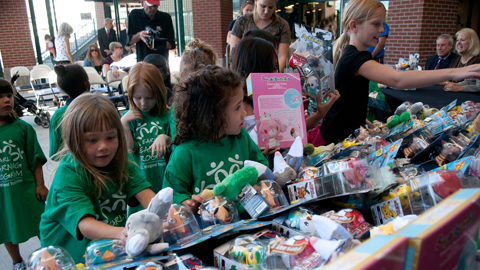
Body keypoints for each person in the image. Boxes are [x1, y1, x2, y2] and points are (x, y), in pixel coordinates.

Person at [319, 0, 480, 145]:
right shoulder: (356, 58)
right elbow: (399, 79)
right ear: (354, 26)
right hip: (336, 139)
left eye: (382, 24)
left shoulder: (355, 54)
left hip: (340, 134)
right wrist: (455, 72)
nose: (382, 30)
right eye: (376, 24)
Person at [40, 93, 156, 263]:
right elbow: (85, 225)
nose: (103, 147)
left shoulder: (123, 163)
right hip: (68, 256)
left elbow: (149, 199)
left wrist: (165, 215)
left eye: (110, 137)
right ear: (74, 140)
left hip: (104, 248)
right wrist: (120, 233)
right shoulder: (68, 175)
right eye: (92, 140)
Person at [162, 66, 268, 212]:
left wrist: (261, 183)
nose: (244, 113)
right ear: (213, 115)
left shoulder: (241, 137)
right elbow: (171, 194)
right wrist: (188, 203)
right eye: (237, 108)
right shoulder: (185, 153)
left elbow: (262, 168)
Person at [0, 78, 48, 270]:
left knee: (40, 223)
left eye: (9, 96)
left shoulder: (23, 128)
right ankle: (17, 262)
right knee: (6, 227)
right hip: (3, 194)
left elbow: (35, 158)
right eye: (0, 97)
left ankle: (48, 255)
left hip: (27, 189)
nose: (6, 100)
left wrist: (40, 184)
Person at [121, 62, 172, 214]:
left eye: (149, 97)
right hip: (141, 186)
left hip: (164, 183)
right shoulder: (128, 118)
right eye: (138, 97)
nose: (143, 103)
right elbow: (129, 150)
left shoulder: (167, 115)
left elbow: (177, 145)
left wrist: (165, 137)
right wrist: (123, 124)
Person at [230, 0, 291, 72]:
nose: (266, 11)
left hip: (269, 71)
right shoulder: (242, 21)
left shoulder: (282, 25)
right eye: (263, 6)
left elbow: (282, 56)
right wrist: (236, 75)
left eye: (271, 7)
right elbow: (234, 52)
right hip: (245, 70)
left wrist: (276, 75)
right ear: (255, 1)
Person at [49, 65, 90, 157]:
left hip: (71, 166)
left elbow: (55, 154)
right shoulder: (99, 107)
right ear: (86, 84)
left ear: (62, 88)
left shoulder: (58, 115)